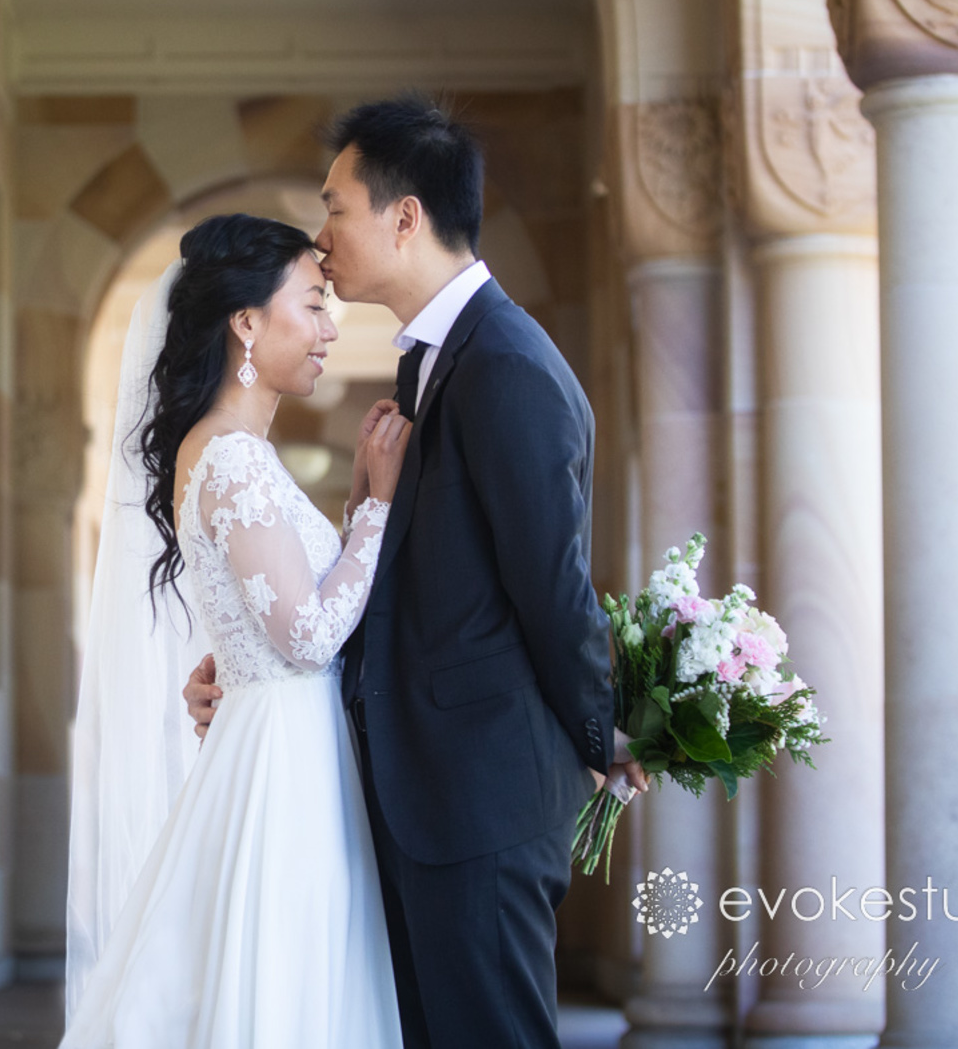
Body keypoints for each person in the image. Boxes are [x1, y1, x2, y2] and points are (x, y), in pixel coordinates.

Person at [184, 95, 646, 1048]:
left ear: (404, 216)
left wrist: (608, 733)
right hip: (414, 794)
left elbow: (549, 587)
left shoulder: (507, 363)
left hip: (479, 804)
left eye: (336, 206)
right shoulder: (426, 367)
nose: (323, 234)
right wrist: (245, 661)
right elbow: (406, 590)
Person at [63, 213, 410, 1048]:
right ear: (247, 321)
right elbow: (310, 635)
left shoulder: (234, 449)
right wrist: (382, 510)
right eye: (315, 304)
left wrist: (359, 502)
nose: (332, 327)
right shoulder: (229, 456)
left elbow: (275, 615)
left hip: (280, 737)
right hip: (279, 761)